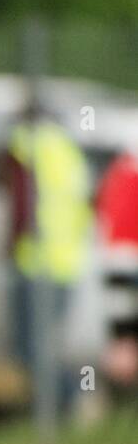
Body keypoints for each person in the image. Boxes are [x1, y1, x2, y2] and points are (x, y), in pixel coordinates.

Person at [0, 99, 92, 416]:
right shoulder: (67, 149)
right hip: (66, 263)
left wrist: (9, 243)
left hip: (36, 262)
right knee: (45, 347)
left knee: (28, 348)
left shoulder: (25, 145)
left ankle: (70, 403)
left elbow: (20, 202)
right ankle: (67, 405)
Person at [94, 149, 138, 392]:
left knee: (123, 342)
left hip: (117, 261)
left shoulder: (119, 170)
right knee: (124, 343)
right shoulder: (126, 171)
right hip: (124, 262)